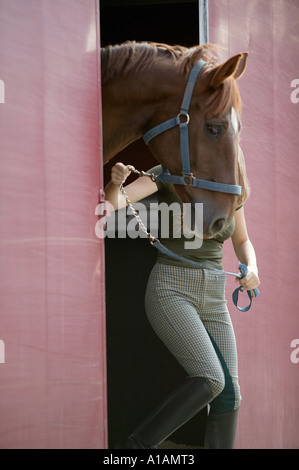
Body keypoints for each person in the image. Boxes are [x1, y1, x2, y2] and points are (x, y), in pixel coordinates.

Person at [104, 152, 260, 449]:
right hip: (172, 288)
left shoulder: (231, 187)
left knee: (230, 394)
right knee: (212, 378)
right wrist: (115, 183)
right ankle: (136, 449)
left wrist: (252, 268)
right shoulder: (168, 172)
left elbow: (242, 240)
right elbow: (113, 203)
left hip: (214, 296)